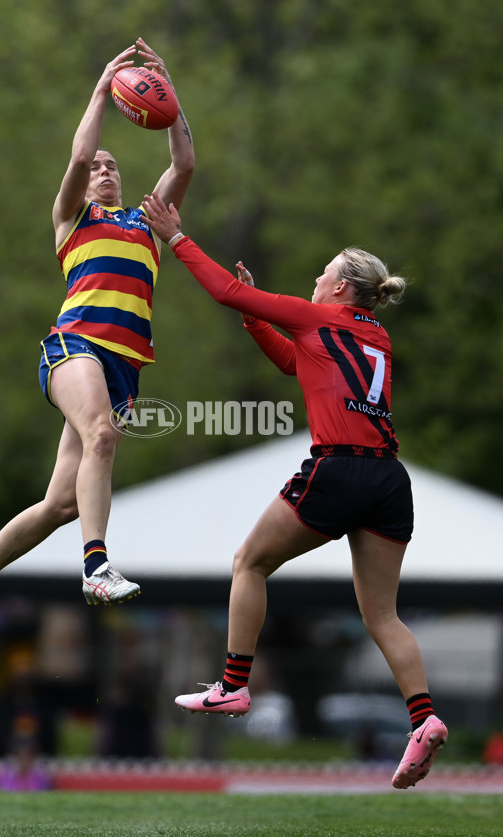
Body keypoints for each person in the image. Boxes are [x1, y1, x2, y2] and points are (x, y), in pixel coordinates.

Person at [140, 193, 447, 790]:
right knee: (382, 614)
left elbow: (227, 292)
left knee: (248, 562)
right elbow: (296, 363)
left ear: (338, 289)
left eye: (323, 271)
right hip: (389, 478)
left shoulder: (318, 317)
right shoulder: (375, 335)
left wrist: (177, 238)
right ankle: (424, 716)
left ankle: (231, 685)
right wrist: (258, 320)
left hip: (339, 469)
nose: (315, 276)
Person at [0, 40, 195, 640]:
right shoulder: (75, 220)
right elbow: (76, 156)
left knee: (62, 504)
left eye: (112, 166)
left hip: (124, 365)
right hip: (74, 347)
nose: (103, 169)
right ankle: (96, 566)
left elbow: (183, 167)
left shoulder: (147, 223)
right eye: (98, 166)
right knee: (102, 433)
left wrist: (171, 99)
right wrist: (102, 89)